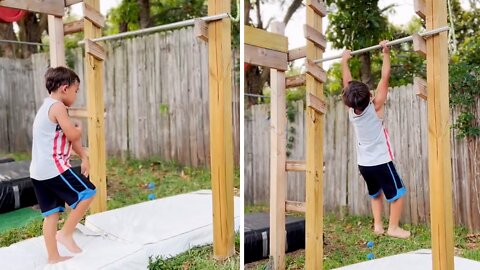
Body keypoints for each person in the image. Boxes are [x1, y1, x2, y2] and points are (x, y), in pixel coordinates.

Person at [341, 41, 410, 239]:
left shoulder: (351, 111)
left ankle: (378, 226)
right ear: (370, 95)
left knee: (375, 193)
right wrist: (386, 52)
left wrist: (344, 61)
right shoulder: (376, 106)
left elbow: (347, 84)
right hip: (381, 162)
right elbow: (385, 77)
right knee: (398, 194)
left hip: (364, 164)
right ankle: (393, 228)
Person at [30, 66, 96, 264]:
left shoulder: (47, 107)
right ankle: (65, 234)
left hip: (38, 172)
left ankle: (53, 257)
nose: (76, 96)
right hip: (53, 168)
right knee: (88, 193)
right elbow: (74, 135)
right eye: (76, 91)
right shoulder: (58, 107)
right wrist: (80, 129)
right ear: (65, 88)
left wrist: (84, 157)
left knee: (51, 215)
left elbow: (70, 141)